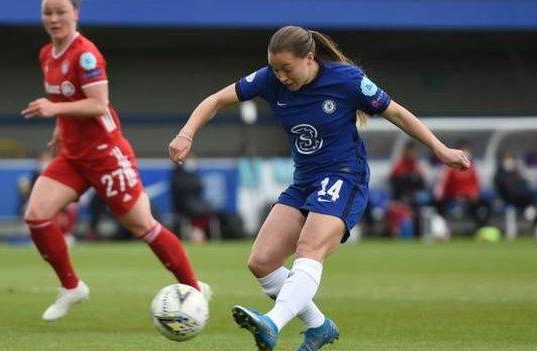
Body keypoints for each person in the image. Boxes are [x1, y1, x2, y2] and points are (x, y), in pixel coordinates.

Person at [169, 25, 470, 350]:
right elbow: (216, 100)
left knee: (309, 248)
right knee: (261, 262)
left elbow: (396, 112)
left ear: (309, 58)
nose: (281, 76)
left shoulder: (347, 80)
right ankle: (319, 326)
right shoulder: (269, 80)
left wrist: (440, 149)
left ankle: (273, 322)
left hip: (345, 177)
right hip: (304, 182)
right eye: (275, 68)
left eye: (287, 68)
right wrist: (187, 133)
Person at [20, 0, 209, 322]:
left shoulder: (86, 54)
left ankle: (193, 290)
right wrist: (58, 129)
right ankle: (72, 287)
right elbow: (64, 98)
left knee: (143, 226)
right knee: (36, 215)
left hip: (105, 154)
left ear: (75, 14)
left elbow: (98, 104)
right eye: (47, 13)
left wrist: (55, 111)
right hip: (73, 155)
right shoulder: (46, 55)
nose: (53, 19)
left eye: (60, 12)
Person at [434, 141, 491, 233]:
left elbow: (477, 183)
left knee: (486, 202)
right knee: (439, 204)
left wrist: (474, 193)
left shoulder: (472, 167)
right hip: (454, 198)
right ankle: (442, 229)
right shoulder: (449, 168)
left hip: (470, 198)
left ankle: (482, 228)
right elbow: (443, 186)